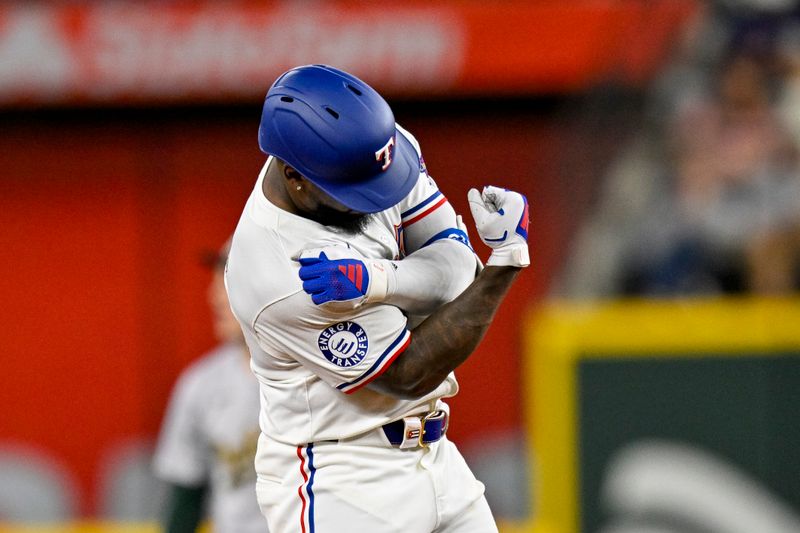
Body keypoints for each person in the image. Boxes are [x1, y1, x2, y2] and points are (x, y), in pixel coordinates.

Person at [224, 64, 530, 532]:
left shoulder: (372, 153)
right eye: (352, 195)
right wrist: (505, 262)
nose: (376, 200)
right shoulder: (279, 270)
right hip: (343, 482)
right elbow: (410, 372)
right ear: (295, 177)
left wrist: (379, 280)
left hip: (437, 457)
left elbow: (458, 270)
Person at [153, 242, 268, 533]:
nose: (214, 297)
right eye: (216, 283)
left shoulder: (325, 375)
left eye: (228, 282)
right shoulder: (201, 385)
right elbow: (185, 500)